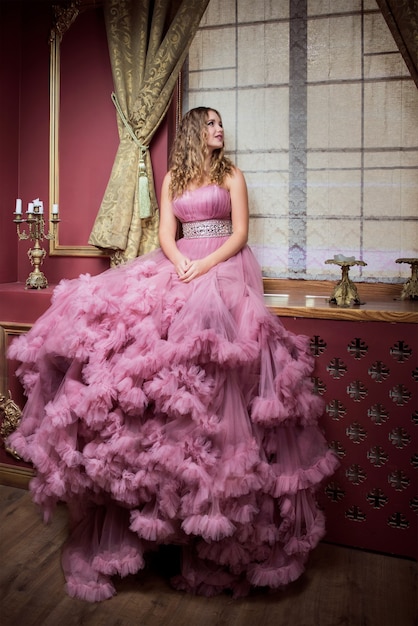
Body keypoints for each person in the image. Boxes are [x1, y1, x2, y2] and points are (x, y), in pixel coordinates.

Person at [7, 107, 338, 602]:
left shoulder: (232, 174)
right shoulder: (173, 180)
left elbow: (241, 233)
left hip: (225, 269)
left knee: (222, 372)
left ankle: (215, 518)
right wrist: (182, 260)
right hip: (179, 266)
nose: (220, 131)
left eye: (221, 125)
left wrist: (204, 263)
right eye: (211, 125)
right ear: (193, 133)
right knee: (147, 362)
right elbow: (166, 233)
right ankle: (159, 504)